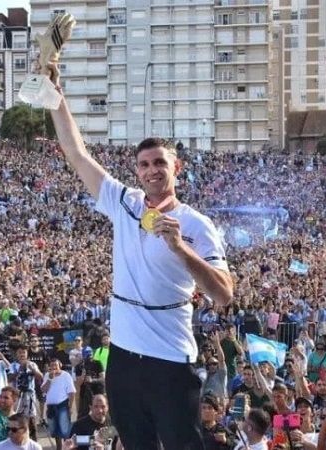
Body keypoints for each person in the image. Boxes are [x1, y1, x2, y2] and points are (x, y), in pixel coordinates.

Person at [45, 42, 234, 448]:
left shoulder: (197, 224)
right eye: (145, 165)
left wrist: (181, 249)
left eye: (160, 164)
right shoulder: (123, 201)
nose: (151, 171)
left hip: (170, 359)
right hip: (124, 359)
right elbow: (75, 153)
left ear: (176, 168)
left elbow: (223, 294)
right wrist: (55, 94)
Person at [43, 358, 75, 450]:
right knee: (55, 431)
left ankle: (67, 448)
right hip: (51, 407)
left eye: (55, 365)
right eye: (51, 365)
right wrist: (49, 379)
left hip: (62, 406)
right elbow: (43, 390)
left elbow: (72, 392)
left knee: (65, 431)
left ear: (60, 365)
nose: (53, 367)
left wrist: (70, 407)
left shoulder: (66, 375)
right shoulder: (47, 375)